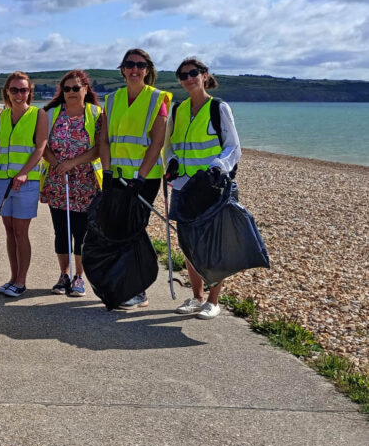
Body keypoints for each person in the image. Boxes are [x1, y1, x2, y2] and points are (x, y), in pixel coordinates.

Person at [166, 57, 241, 319]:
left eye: (194, 73)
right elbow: (171, 147)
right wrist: (171, 162)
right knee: (188, 243)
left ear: (205, 75)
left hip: (211, 187)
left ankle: (213, 300)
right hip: (184, 186)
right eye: (183, 75)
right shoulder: (178, 110)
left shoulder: (219, 108)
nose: (189, 78)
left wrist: (218, 166)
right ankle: (196, 297)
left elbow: (233, 146)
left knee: (213, 244)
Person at [97, 49, 171, 310]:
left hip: (144, 178)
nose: (134, 69)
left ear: (148, 70)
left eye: (140, 65)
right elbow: (104, 139)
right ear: (123, 69)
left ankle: (138, 290)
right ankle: (124, 285)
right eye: (129, 64)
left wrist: (139, 178)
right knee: (117, 229)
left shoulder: (156, 99)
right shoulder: (112, 99)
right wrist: (106, 171)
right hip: (116, 175)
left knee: (134, 230)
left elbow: (157, 142)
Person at [0, 71, 48, 297]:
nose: (19, 94)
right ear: (7, 92)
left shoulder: (38, 114)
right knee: (9, 232)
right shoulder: (2, 116)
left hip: (25, 183)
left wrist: (24, 173)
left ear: (30, 92)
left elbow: (40, 148)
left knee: (21, 232)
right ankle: (12, 277)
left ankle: (21, 281)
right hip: (2, 181)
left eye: (23, 90)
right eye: (14, 90)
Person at [41, 70, 102, 297]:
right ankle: (64, 275)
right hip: (58, 182)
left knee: (82, 233)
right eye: (67, 89)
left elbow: (99, 148)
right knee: (61, 231)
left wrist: (73, 163)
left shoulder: (96, 114)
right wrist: (58, 163)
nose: (71, 92)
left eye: (76, 88)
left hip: (86, 184)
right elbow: (42, 145)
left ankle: (79, 277)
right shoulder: (51, 114)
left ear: (86, 88)